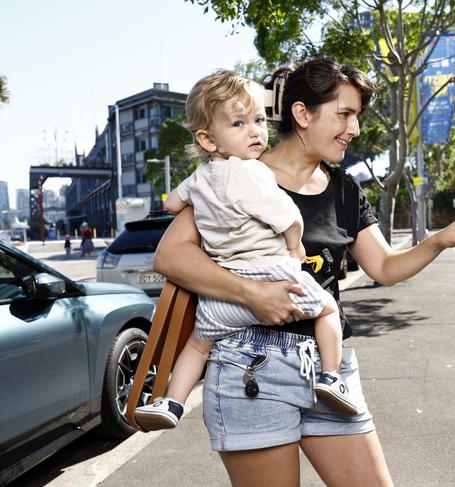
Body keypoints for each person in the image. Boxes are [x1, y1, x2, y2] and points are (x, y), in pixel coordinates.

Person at [152, 58, 455, 486]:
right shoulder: (236, 175)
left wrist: (438, 239)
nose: (353, 128)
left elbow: (385, 267)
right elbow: (171, 257)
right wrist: (251, 294)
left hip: (326, 372)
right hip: (249, 363)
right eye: (344, 114)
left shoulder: (343, 189)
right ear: (302, 114)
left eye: (356, 116)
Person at [134, 70, 358, 432]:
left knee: (198, 344)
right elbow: (288, 217)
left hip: (223, 294)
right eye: (239, 123)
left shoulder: (200, 177)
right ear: (207, 138)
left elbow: (173, 203)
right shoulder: (251, 173)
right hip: (271, 275)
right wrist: (294, 246)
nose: (255, 131)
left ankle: (172, 402)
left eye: (257, 120)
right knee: (328, 309)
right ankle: (332, 377)